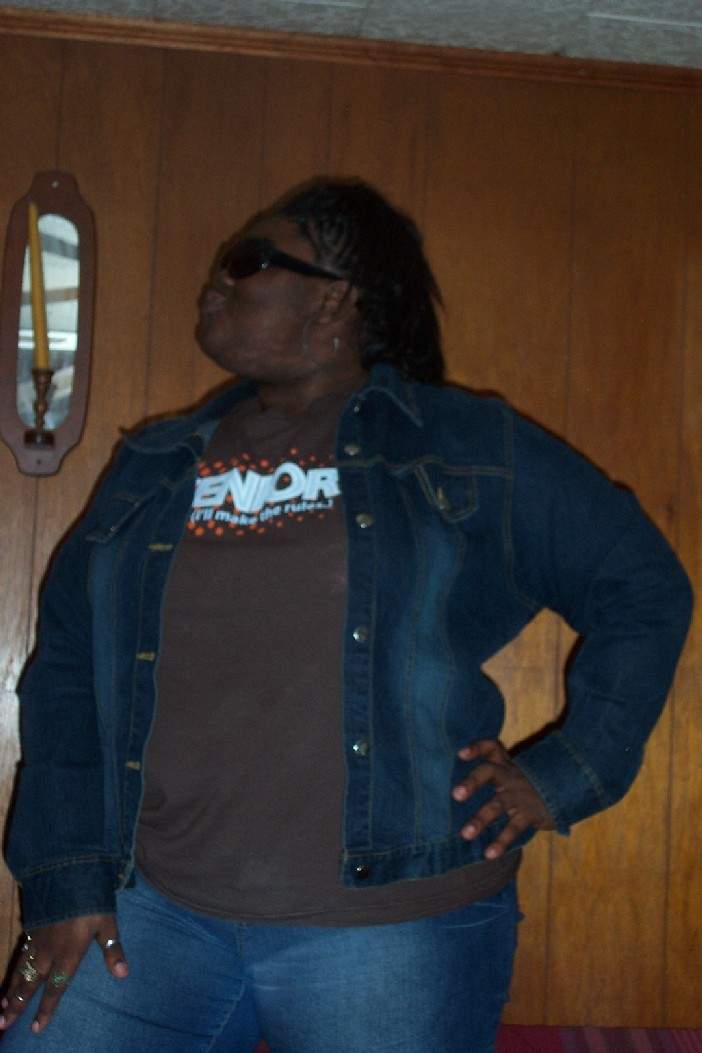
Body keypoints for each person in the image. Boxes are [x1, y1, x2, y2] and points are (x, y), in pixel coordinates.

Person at [0, 179, 692, 1053]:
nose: (214, 280)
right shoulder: (154, 462)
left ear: (335, 298)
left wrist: (568, 771)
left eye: (246, 260)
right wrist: (64, 876)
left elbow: (641, 583)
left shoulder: (460, 443)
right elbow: (66, 666)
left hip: (392, 923)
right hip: (152, 910)